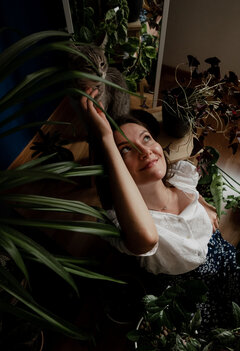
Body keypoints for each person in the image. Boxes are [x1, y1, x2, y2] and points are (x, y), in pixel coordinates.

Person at [80, 88, 240, 332]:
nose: (145, 151)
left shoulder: (181, 178)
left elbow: (193, 195)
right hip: (192, 300)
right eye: (125, 150)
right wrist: (104, 138)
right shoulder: (132, 226)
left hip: (226, 260)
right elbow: (147, 237)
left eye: (146, 138)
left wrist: (204, 208)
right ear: (113, 167)